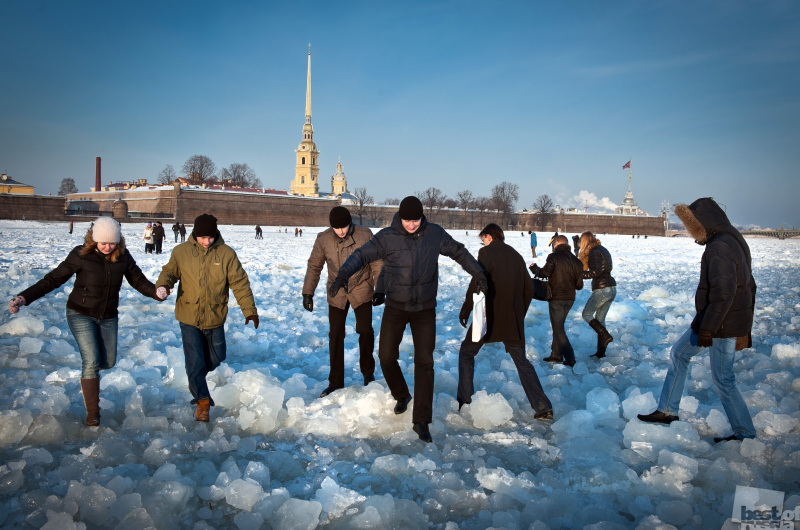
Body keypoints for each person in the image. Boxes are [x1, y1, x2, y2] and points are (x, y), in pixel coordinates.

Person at [330, 196, 487, 443]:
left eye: (415, 220)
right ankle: (402, 394)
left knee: (425, 362)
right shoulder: (386, 237)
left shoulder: (434, 234)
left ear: (421, 217)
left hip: (425, 308)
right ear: (399, 218)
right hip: (396, 306)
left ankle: (421, 420)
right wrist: (342, 276)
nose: (411, 225)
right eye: (407, 220)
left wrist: (478, 273)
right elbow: (361, 255)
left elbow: (458, 251)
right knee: (385, 357)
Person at [8, 217, 163, 426]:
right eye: (103, 243)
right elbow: (52, 279)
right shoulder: (81, 255)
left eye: (112, 243)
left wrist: (156, 292)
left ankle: (91, 382)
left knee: (107, 362)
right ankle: (93, 414)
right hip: (80, 313)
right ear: (94, 240)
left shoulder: (123, 256)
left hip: (108, 316)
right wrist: (23, 298)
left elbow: (138, 281)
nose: (108, 247)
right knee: (90, 361)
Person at [638, 198, 757, 442]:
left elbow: (724, 293)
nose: (689, 230)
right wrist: (745, 328)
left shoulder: (719, 246)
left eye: (691, 224)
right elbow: (750, 286)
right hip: (721, 321)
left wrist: (709, 330)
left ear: (704, 222)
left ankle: (745, 433)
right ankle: (667, 410)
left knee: (724, 379)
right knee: (679, 353)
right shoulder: (734, 239)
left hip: (720, 324)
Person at [156, 214, 259, 422]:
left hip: (215, 316)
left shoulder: (226, 254)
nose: (207, 242)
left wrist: (249, 310)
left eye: (210, 237)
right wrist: (164, 285)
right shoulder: (181, 252)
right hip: (188, 315)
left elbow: (240, 283)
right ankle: (202, 401)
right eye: (203, 237)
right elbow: (169, 272)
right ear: (195, 234)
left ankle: (197, 376)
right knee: (194, 362)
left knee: (216, 358)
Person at [457, 224, 553, 421]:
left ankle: (465, 402)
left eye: (482, 238)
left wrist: (467, 308)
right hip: (511, 318)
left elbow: (478, 280)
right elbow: (528, 288)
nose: (482, 242)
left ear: (489, 236)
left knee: (466, 353)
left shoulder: (486, 252)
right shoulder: (516, 255)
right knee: (521, 361)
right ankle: (543, 407)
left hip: (487, 317)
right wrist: (519, 314)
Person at [303, 206, 383, 397]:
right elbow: (314, 266)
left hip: (361, 288)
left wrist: (380, 289)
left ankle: (367, 373)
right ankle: (335, 381)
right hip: (336, 291)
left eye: (344, 227)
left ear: (350, 223)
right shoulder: (323, 239)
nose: (341, 231)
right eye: (336, 228)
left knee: (365, 331)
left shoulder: (365, 235)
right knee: (336, 335)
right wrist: (308, 293)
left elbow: (377, 263)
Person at [530, 235, 584, 367]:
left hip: (557, 298)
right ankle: (556, 355)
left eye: (554, 244)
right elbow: (579, 285)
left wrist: (534, 269)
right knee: (558, 326)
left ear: (557, 244)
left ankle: (570, 357)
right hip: (569, 299)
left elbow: (544, 273)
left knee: (558, 329)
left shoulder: (553, 257)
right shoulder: (577, 261)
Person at [579, 231, 616, 359]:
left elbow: (596, 272)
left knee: (586, 314)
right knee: (600, 320)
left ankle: (605, 336)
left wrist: (579, 275)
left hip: (602, 289)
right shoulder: (602, 249)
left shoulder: (594, 252)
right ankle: (601, 352)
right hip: (611, 288)